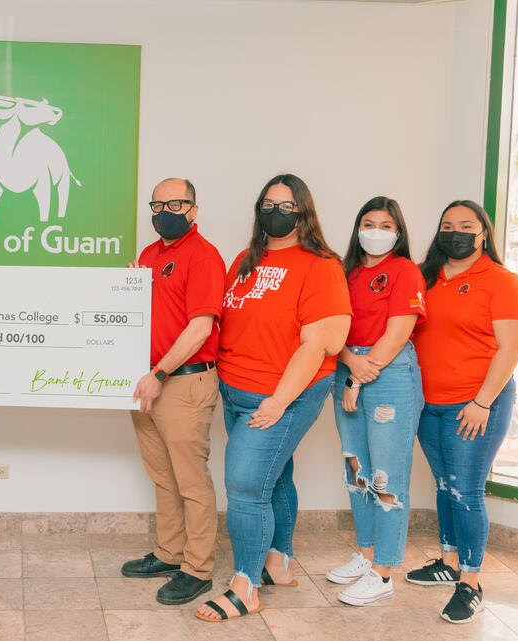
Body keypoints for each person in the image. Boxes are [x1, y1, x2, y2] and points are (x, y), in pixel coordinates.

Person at [196, 174, 351, 622]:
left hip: (283, 392)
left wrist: (279, 402)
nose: (276, 212)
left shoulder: (320, 265)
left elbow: (320, 344)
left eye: (286, 205)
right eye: (268, 203)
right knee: (275, 476)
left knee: (245, 487)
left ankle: (245, 585)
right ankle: (278, 560)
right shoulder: (246, 260)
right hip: (236, 388)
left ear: (304, 213)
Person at [407, 200, 518, 624]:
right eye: (447, 225)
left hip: (475, 406)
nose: (455, 232)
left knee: (467, 490)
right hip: (429, 405)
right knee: (444, 485)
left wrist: (482, 402)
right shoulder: (427, 277)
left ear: (483, 234)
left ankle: (471, 582)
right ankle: (447, 560)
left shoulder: (501, 281)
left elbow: (510, 349)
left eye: (465, 225)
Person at [121, 178, 226, 605]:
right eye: (158, 203)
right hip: (148, 382)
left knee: (190, 481)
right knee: (163, 477)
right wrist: (127, 292)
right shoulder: (149, 254)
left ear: (194, 210)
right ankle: (169, 552)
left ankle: (197, 569)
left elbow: (200, 327)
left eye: (176, 203)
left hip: (181, 382)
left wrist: (159, 374)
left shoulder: (203, 256)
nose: (166, 210)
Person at [325, 197, 426, 606]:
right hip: (350, 365)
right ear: (357, 228)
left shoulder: (405, 270)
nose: (377, 231)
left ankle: (384, 571)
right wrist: (350, 365)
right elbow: (333, 327)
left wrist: (358, 375)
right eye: (369, 223)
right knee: (356, 467)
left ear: (398, 232)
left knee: (387, 475)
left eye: (386, 225)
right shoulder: (344, 272)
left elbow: (399, 330)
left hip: (389, 374)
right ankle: (365, 555)